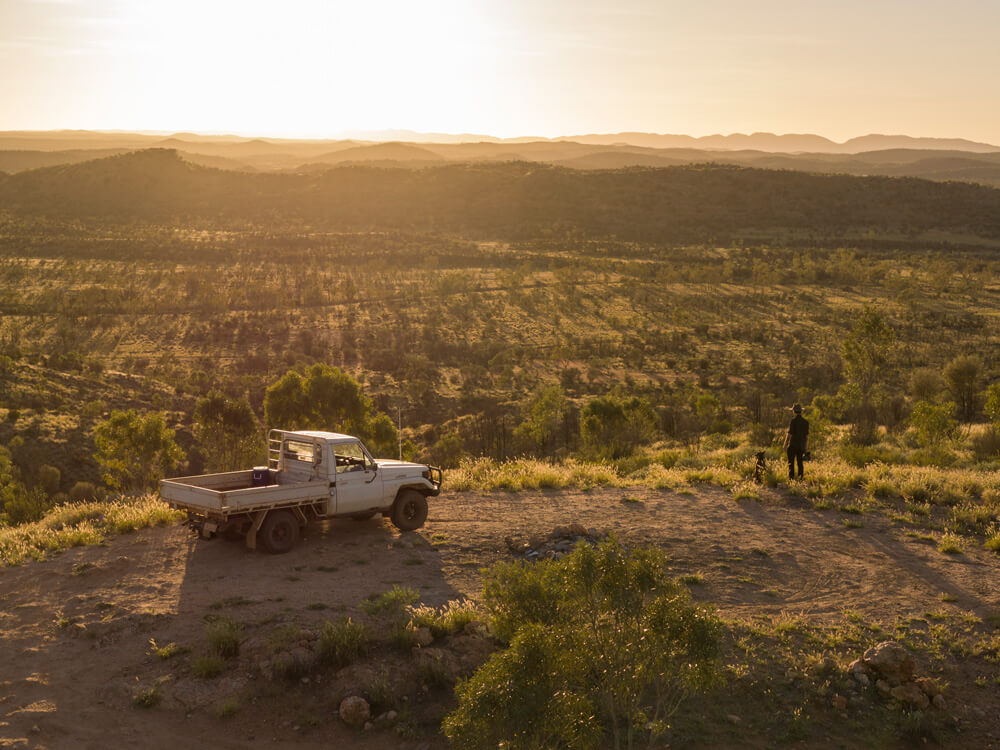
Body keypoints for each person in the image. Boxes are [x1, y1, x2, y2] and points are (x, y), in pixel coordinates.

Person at [784, 403, 809, 480]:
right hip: (801, 446)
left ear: (794, 411)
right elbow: (806, 437)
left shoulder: (793, 421)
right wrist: (805, 448)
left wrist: (785, 444)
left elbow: (789, 434)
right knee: (800, 463)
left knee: (791, 463)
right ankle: (800, 478)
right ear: (801, 411)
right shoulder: (805, 422)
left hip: (792, 445)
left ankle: (791, 479)